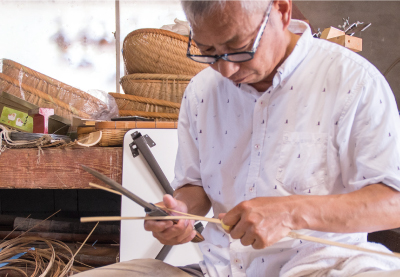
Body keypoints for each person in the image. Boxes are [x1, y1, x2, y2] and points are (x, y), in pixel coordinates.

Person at [75, 0, 400, 276]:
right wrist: (178, 211)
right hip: (221, 268)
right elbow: (195, 185)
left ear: (282, 11)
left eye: (237, 48)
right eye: (208, 51)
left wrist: (291, 212)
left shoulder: (352, 81)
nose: (226, 70)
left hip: (324, 266)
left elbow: (393, 202)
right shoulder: (201, 91)